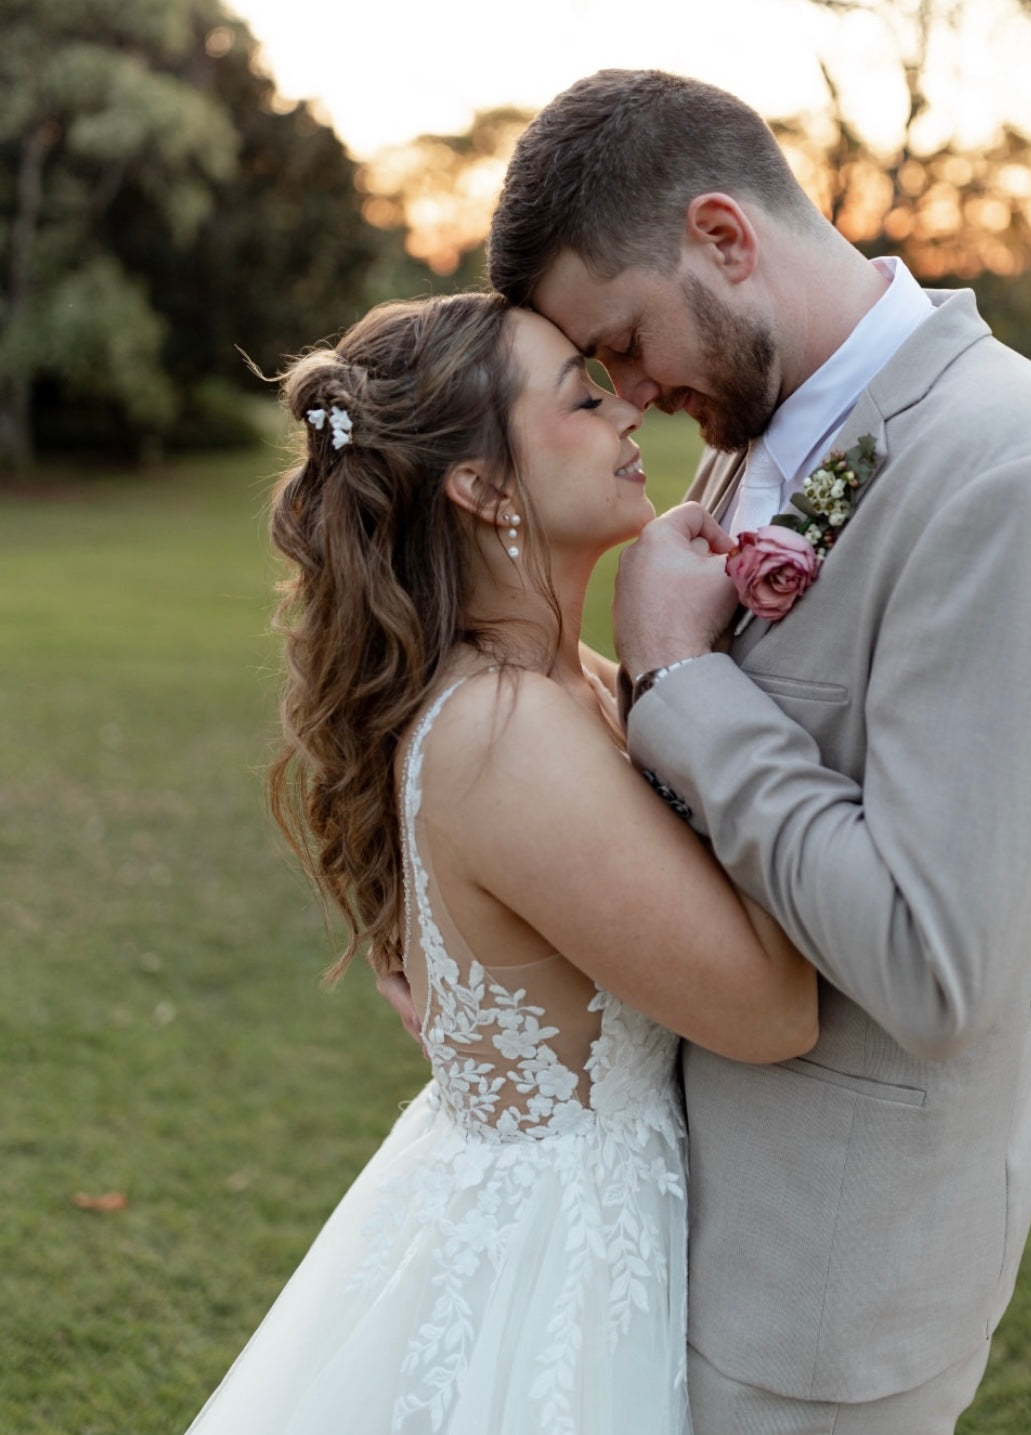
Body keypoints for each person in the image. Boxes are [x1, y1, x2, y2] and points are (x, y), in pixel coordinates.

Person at [482, 69, 1031, 1435]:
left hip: (823, 1285)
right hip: (659, 1224)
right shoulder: (757, 429)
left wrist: (679, 677)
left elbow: (931, 960)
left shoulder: (1010, 468)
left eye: (623, 339)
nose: (631, 393)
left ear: (723, 237)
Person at [182, 291, 818, 1435]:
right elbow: (773, 1010)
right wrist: (675, 659)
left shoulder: (561, 677)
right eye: (581, 394)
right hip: (556, 1274)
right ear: (477, 488)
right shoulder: (505, 732)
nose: (628, 405)